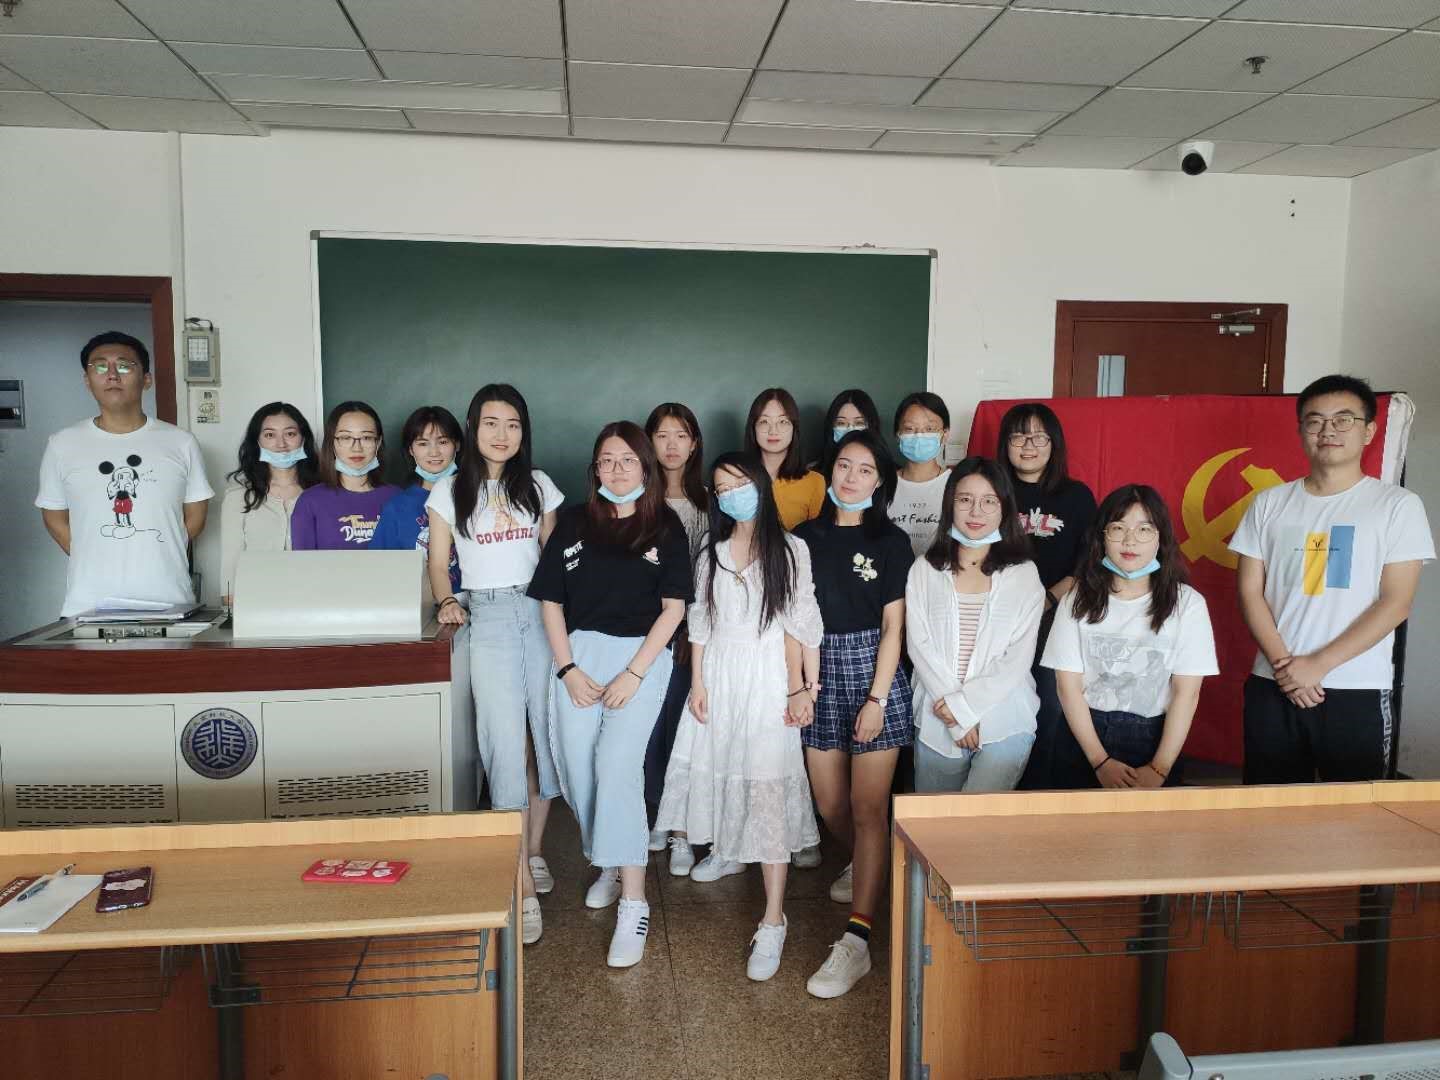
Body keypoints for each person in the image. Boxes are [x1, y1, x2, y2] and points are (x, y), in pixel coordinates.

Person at [655, 452, 823, 981]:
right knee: (723, 769)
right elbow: (701, 624)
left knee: (767, 785)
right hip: (720, 678)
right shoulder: (712, 552)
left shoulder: (792, 550)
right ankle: (729, 850)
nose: (732, 495)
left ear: (760, 485)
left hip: (769, 677)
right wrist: (699, 684)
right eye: (722, 488)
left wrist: (805, 687)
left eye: (740, 484)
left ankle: (773, 918)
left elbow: (803, 623)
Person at [528, 421, 691, 968]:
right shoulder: (575, 522)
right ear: (594, 467)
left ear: (645, 467)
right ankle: (609, 863)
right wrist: (567, 668)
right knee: (577, 767)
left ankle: (635, 901)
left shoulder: (665, 525)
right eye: (606, 460)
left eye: (627, 460)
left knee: (617, 766)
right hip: (578, 658)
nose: (617, 469)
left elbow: (674, 609)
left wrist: (634, 674)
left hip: (640, 658)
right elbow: (551, 601)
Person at [1232, 375, 1433, 784]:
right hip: (1273, 683)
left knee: (1357, 810)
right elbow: (1250, 592)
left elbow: (1396, 602)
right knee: (1267, 805)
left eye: (1343, 419)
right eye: (1315, 421)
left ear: (1368, 431)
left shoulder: (1397, 505)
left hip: (1356, 687)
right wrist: (1287, 669)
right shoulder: (1269, 502)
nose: (1328, 431)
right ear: (1301, 430)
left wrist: (1319, 665)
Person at [429, 384, 565, 946]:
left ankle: (532, 852)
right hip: (484, 617)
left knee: (543, 738)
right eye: (491, 423)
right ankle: (521, 887)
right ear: (473, 427)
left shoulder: (539, 485)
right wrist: (447, 599)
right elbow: (439, 562)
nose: (501, 434)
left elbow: (555, 560)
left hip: (539, 611)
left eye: (512, 424)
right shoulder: (449, 489)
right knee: (503, 741)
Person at [793, 430, 913, 999]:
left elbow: (893, 628)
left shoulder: (891, 541)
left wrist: (877, 699)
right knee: (830, 805)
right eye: (844, 465)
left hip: (872, 672)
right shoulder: (802, 538)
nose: (851, 477)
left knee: (868, 809)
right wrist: (799, 686)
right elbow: (793, 619)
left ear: (879, 481)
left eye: (865, 470)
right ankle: (870, 862)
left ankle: (857, 939)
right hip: (817, 669)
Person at [1043, 485, 1218, 789]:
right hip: (1084, 736)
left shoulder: (1188, 604)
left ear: (1161, 538)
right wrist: (1100, 761)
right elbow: (1067, 687)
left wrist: (1159, 769)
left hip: (1155, 739)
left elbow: (1186, 694)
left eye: (1144, 529)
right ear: (1102, 537)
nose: (1129, 540)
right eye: (1118, 528)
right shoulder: (1077, 599)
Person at [36, 331, 213, 617]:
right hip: (88, 605)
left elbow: (195, 517)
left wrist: (157, 548)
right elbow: (54, 517)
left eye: (124, 365)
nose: (112, 375)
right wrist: (91, 552)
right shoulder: (62, 444)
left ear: (146, 379)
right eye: (100, 366)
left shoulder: (181, 442)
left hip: (168, 601)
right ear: (87, 380)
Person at [907, 458, 1045, 792]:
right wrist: (956, 715)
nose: (976, 511)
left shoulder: (1024, 574)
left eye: (989, 501)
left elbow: (1017, 659)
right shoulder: (925, 569)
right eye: (965, 499)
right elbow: (919, 646)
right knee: (934, 818)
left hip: (1005, 716)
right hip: (938, 713)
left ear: (1004, 508)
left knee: (980, 820)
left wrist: (965, 708)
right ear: (950, 504)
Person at [995, 402, 1097, 790]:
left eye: (1039, 437)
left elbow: (1088, 563)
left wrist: (1048, 599)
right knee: (1002, 700)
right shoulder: (992, 492)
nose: (1029, 446)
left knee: (1050, 707)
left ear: (1054, 444)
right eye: (1019, 436)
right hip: (998, 618)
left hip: (1055, 618)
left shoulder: (1076, 496)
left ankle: (1040, 793)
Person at [643, 403, 708, 873]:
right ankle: (655, 818)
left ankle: (682, 826)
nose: (671, 445)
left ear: (694, 443)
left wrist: (692, 630)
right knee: (649, 729)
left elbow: (711, 574)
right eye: (662, 435)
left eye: (681, 435)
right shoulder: (637, 497)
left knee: (684, 729)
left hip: (693, 634)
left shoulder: (709, 502)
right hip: (645, 632)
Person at [220, 402, 317, 605]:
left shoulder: (321, 495)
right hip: (257, 606)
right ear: (257, 442)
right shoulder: (238, 497)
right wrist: (235, 607)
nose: (281, 444)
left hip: (312, 602)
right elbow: (230, 566)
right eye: (270, 435)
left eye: (290, 434)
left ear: (303, 438)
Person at [372, 405, 462, 593]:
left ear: (457, 445)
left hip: (475, 603)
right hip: (416, 604)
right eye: (422, 443)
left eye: (443, 442)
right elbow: (379, 571)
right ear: (411, 450)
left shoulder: (477, 496)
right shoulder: (396, 508)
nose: (434, 452)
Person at [290, 401, 399, 550]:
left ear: (378, 443)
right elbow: (303, 562)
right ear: (332, 443)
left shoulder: (398, 498)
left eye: (366, 438)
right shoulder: (310, 501)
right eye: (346, 438)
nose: (357, 448)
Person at [745, 388, 824, 530]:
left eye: (782, 421)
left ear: (794, 428)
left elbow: (817, 537)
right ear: (753, 428)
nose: (773, 431)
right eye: (764, 421)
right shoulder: (738, 479)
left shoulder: (814, 482)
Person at [889, 391, 953, 558]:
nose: (919, 435)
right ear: (898, 435)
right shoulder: (883, 485)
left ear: (945, 434)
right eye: (910, 429)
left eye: (929, 429)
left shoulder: (956, 484)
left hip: (940, 571)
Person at [817, 389, 881, 478]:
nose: (850, 431)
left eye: (859, 423)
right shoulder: (814, 474)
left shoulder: (890, 472)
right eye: (841, 423)